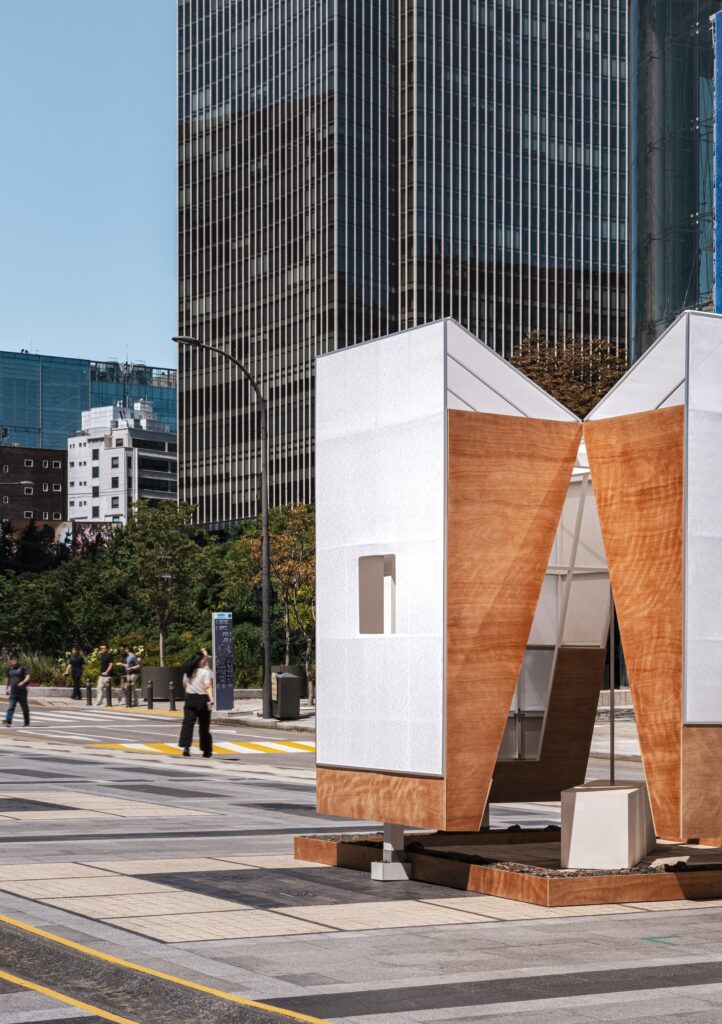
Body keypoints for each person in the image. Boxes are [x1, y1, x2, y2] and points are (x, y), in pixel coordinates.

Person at [178, 649, 214, 758]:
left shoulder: (188, 671)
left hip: (189, 699)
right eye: (203, 659)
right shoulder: (205, 672)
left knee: (188, 724)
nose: (204, 661)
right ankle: (206, 750)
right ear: (199, 660)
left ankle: (186, 747)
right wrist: (211, 698)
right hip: (202, 700)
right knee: (204, 726)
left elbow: (184, 685)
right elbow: (207, 686)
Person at [4, 654, 30, 728]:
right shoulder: (9, 668)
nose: (14, 660)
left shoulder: (23, 667)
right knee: (11, 706)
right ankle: (8, 721)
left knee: (24, 707)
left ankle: (26, 722)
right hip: (13, 691)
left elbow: (28, 676)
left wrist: (23, 682)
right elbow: (7, 679)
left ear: (18, 660)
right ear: (10, 661)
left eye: (15, 659)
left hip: (22, 691)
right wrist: (6, 688)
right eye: (12, 659)